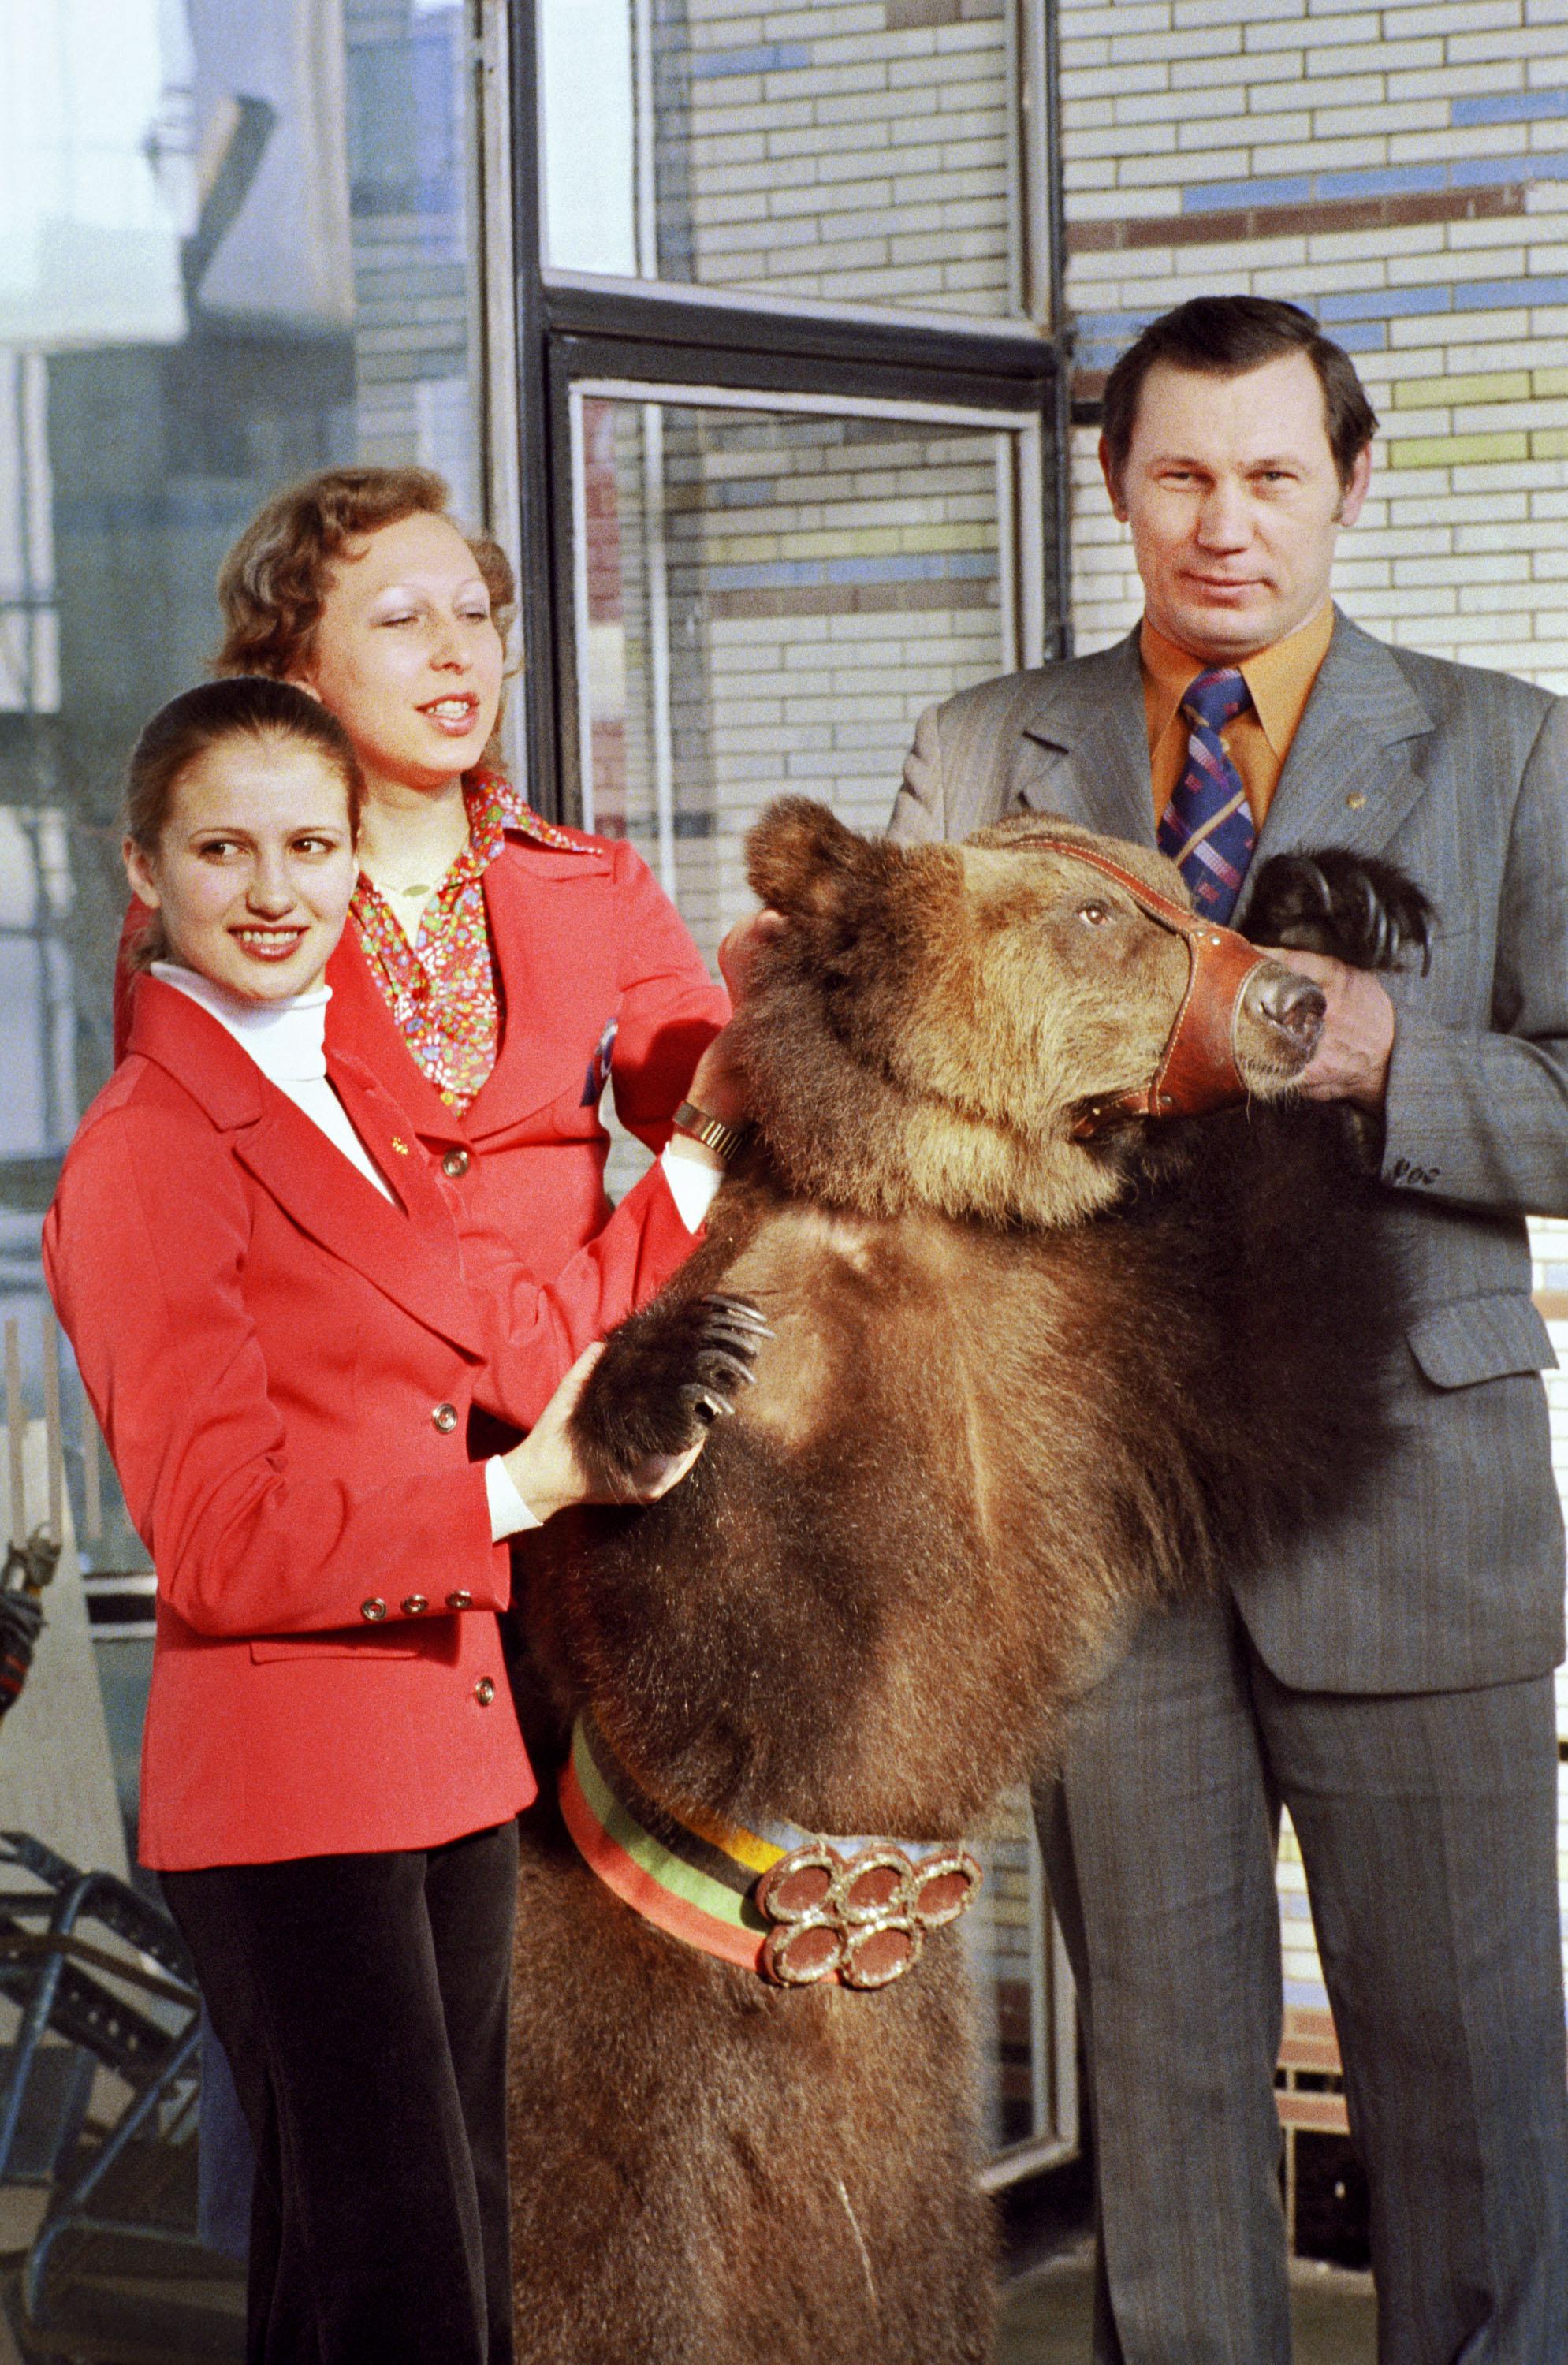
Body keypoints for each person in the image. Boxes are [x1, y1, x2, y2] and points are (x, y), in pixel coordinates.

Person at [890, 295, 1568, 2361]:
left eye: (1271, 474)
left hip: (1407, 1504)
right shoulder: (977, 745)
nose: (1223, 524)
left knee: (1467, 2094)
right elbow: (902, 1107)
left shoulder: (1509, 745)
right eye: (1178, 472)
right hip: (1108, 1522)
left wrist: (1376, 1057)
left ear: (1348, 487)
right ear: (1111, 485)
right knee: (1166, 2107)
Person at [47, 676, 751, 2365]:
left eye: (310, 844)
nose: (273, 888)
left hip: (445, 1744)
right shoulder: (147, 1149)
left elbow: (533, 1344)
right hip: (291, 1779)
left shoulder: (349, 1099)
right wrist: (521, 1492)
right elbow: (219, 1541)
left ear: (364, 863)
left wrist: (710, 1148)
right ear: (142, 866)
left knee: (396, 2267)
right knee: (403, 2285)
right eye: (223, 848)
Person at [117, 464, 748, 1335]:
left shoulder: (600, 887)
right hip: (338, 1434)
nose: (456, 650)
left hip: (585, 1423)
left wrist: (780, 1023)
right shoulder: (215, 912)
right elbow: (183, 1214)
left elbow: (726, 1122)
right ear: (297, 672)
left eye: (475, 614)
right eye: (402, 618)